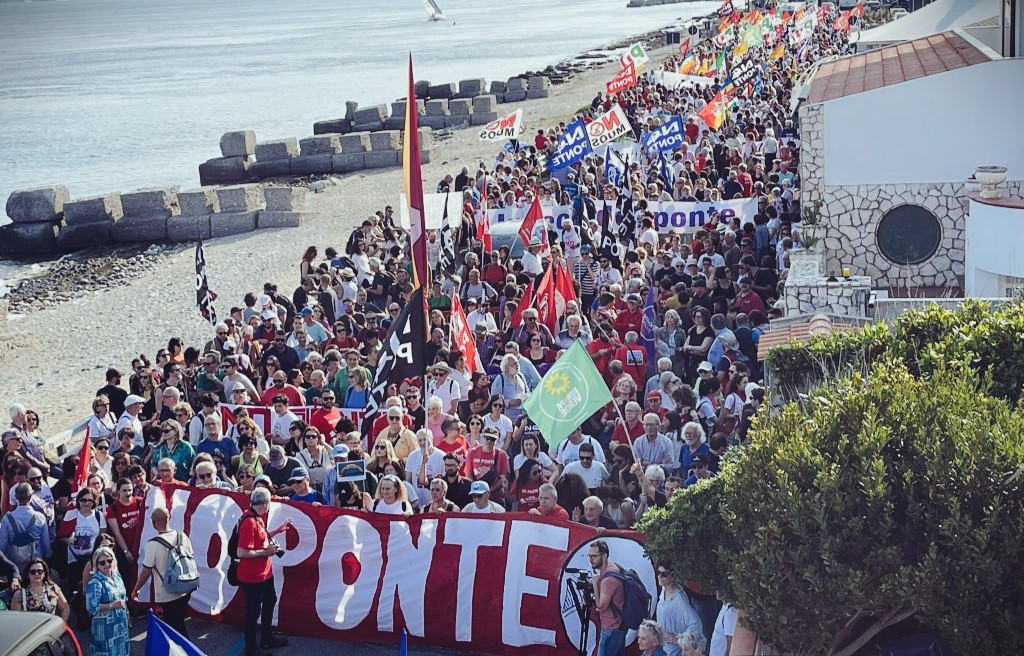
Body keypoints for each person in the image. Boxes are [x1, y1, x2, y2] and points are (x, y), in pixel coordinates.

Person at [237, 487, 291, 656]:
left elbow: (260, 537)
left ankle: (267, 639)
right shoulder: (249, 522)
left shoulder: (255, 517)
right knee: (253, 613)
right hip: (253, 577)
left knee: (270, 601)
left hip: (264, 574)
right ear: (265, 504)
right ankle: (251, 650)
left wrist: (277, 531)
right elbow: (242, 552)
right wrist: (266, 552)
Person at [132, 507, 194, 637]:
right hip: (184, 587)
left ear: (154, 522)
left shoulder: (152, 545)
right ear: (169, 518)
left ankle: (184, 647)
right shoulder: (182, 536)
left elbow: (146, 572)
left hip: (167, 593)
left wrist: (136, 589)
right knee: (179, 623)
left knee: (175, 628)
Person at [85, 545, 131, 656]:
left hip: (121, 624)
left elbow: (123, 598)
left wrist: (128, 615)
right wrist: (111, 605)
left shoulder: (117, 576)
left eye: (109, 561)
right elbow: (91, 608)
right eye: (102, 563)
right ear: (96, 565)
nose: (106, 564)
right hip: (105, 629)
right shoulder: (95, 582)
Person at [0, 482, 50, 570]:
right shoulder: (40, 517)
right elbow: (45, 544)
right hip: (34, 566)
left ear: (16, 497)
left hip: (14, 566)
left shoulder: (7, 519)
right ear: (31, 496)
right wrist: (48, 556)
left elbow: (2, 545)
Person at [590, 539, 626, 656]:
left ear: (604, 556)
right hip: (616, 628)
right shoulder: (610, 568)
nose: (591, 559)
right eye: (589, 556)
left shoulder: (608, 579)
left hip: (612, 630)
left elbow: (601, 607)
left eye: (594, 556)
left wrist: (595, 584)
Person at [656, 566, 703, 656]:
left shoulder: (680, 600)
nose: (660, 577)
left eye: (664, 574)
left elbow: (696, 625)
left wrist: (676, 640)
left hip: (674, 652)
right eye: (658, 573)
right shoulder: (664, 590)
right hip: (664, 648)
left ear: (673, 575)